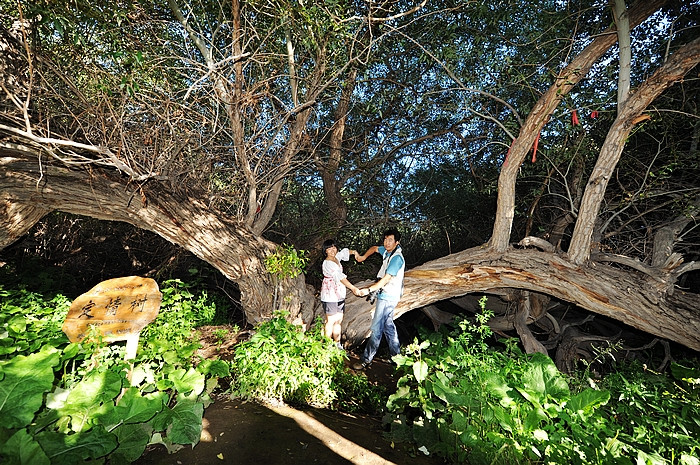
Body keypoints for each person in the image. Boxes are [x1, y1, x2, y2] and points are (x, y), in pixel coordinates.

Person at [352, 228, 405, 370]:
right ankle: (397, 358)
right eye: (385, 239)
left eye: (390, 240)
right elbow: (375, 248)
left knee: (376, 329)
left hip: (388, 297)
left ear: (397, 242)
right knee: (389, 328)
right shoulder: (388, 251)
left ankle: (365, 360)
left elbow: (386, 279)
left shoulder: (396, 258)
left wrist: (369, 289)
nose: (387, 243)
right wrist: (363, 257)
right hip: (388, 295)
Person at [320, 239, 361, 350]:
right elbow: (340, 277)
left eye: (334, 247)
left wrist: (355, 252)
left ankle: (337, 344)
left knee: (338, 320)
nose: (332, 250)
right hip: (330, 295)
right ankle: (327, 345)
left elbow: (344, 253)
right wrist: (353, 288)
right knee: (330, 321)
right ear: (325, 251)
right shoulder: (328, 263)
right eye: (329, 248)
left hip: (339, 294)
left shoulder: (336, 258)